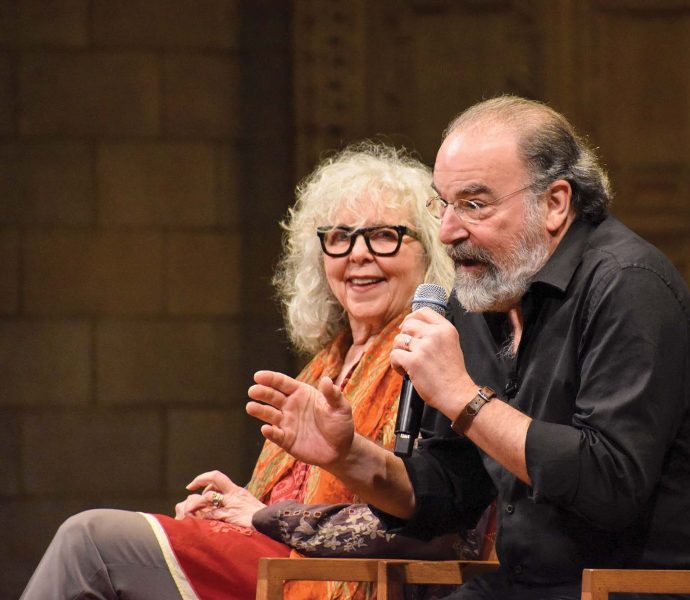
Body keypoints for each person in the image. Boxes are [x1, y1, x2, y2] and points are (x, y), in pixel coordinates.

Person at [246, 96, 690, 600]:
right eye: (442, 204)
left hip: (653, 587)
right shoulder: (482, 299)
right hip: (532, 585)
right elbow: (450, 493)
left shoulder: (629, 286)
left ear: (555, 203)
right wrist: (349, 455)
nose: (447, 231)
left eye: (474, 204)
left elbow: (609, 484)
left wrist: (463, 398)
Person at [21, 141, 459, 600]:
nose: (357, 254)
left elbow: (430, 518)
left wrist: (263, 517)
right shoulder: (328, 361)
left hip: (328, 576)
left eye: (384, 235)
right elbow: (285, 498)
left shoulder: (431, 355)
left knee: (90, 540)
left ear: (430, 251)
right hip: (273, 556)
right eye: (339, 237)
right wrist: (230, 504)